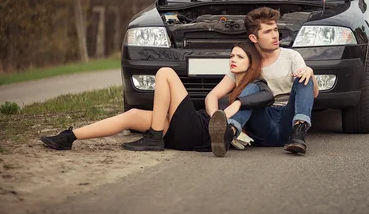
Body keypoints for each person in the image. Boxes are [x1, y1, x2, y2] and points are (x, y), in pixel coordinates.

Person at [40, 42, 273, 156]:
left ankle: (154, 137)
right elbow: (211, 97)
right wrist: (216, 115)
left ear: (251, 62)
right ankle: (69, 137)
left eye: (239, 56)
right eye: (231, 55)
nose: (232, 59)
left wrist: (232, 110)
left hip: (198, 132)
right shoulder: (231, 78)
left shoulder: (256, 84)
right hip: (192, 130)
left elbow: (266, 97)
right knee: (131, 116)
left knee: (165, 72)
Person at [209, 7, 319, 157]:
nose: (275, 35)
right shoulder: (245, 61)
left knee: (304, 74)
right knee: (254, 87)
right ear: (254, 38)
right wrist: (216, 121)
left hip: (289, 119)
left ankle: (299, 134)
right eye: (267, 32)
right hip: (262, 122)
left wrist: (310, 74)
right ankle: (228, 134)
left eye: (275, 29)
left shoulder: (292, 56)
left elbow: (314, 94)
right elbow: (212, 96)